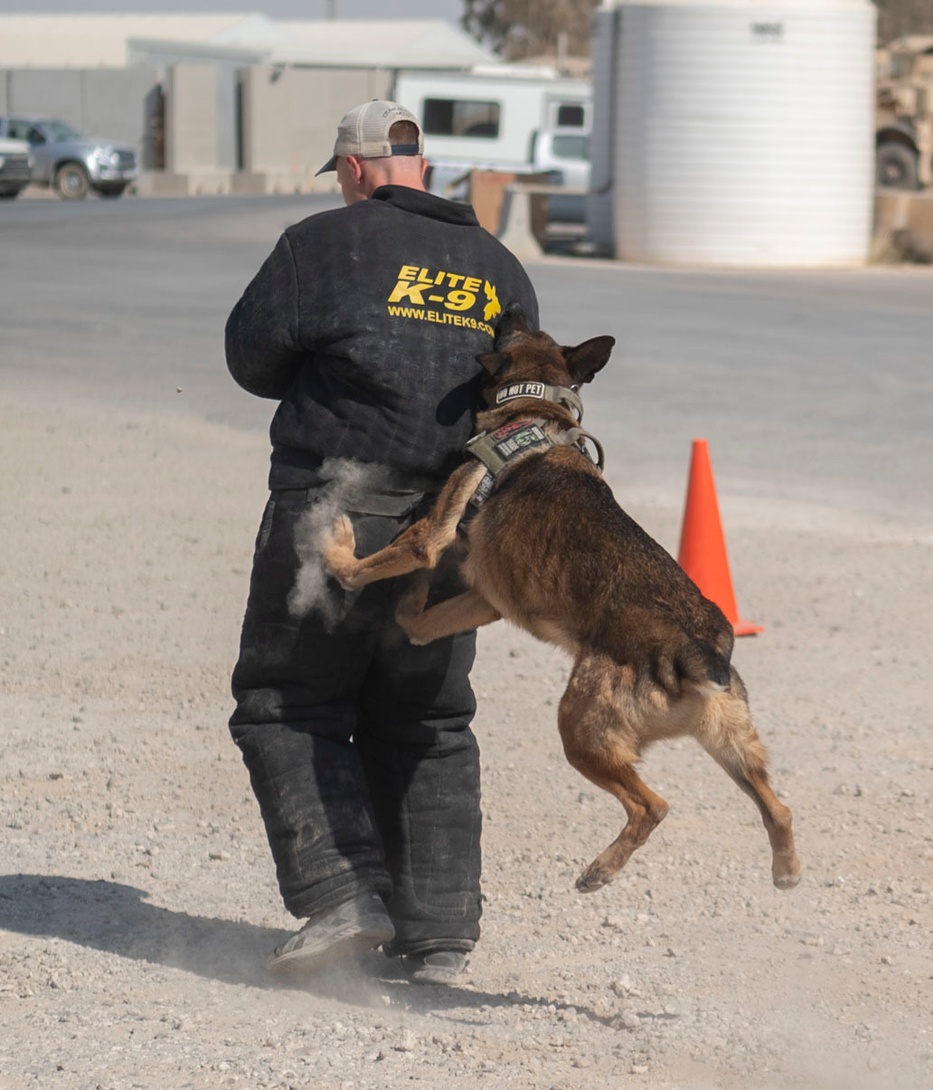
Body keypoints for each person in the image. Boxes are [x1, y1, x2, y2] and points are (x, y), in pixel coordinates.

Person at [224, 100, 539, 985]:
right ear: (423, 167)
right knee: (428, 717)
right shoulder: (500, 267)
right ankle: (438, 936)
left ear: (356, 170)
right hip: (457, 527)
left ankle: (340, 893)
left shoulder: (320, 245)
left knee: (288, 702)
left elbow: (250, 361)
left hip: (334, 509)